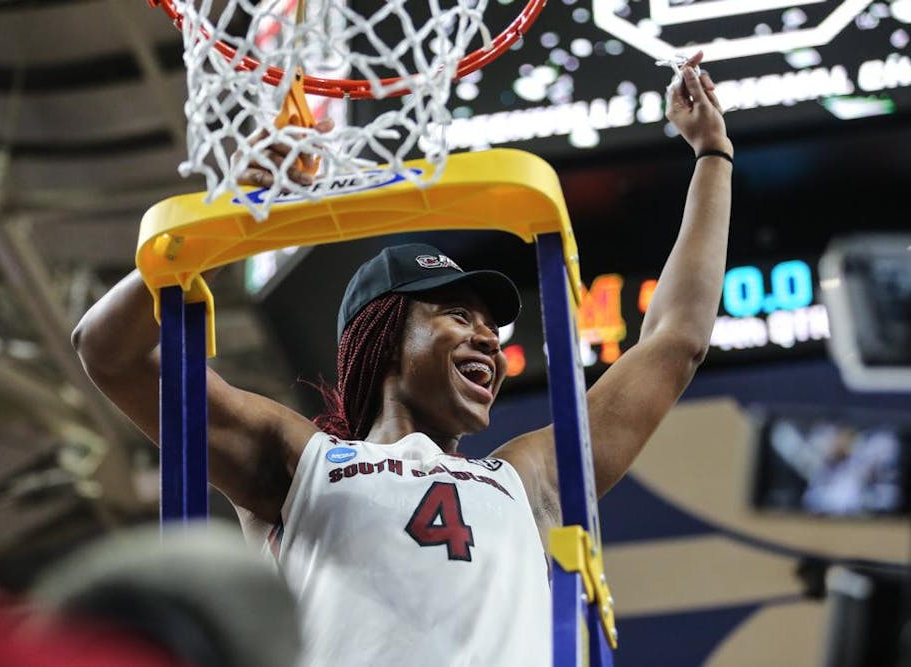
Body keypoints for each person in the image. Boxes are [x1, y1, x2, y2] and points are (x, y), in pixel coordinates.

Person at [72, 51, 733, 665]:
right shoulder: (299, 463)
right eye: (456, 316)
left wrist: (713, 156)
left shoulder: (527, 481)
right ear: (386, 336)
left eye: (491, 329)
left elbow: (675, 342)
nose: (488, 340)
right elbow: (108, 351)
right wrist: (230, 214)